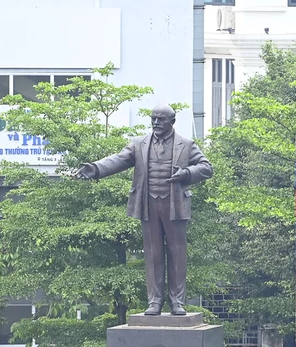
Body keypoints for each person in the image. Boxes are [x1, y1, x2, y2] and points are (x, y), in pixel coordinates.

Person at [74, 104, 214, 316]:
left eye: (161, 119)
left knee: (177, 253)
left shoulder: (186, 144)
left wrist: (186, 173)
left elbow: (206, 167)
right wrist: (95, 169)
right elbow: (119, 160)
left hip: (175, 204)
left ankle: (177, 301)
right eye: (153, 119)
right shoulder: (139, 144)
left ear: (172, 121)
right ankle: (155, 301)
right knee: (152, 253)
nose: (156, 123)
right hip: (148, 204)